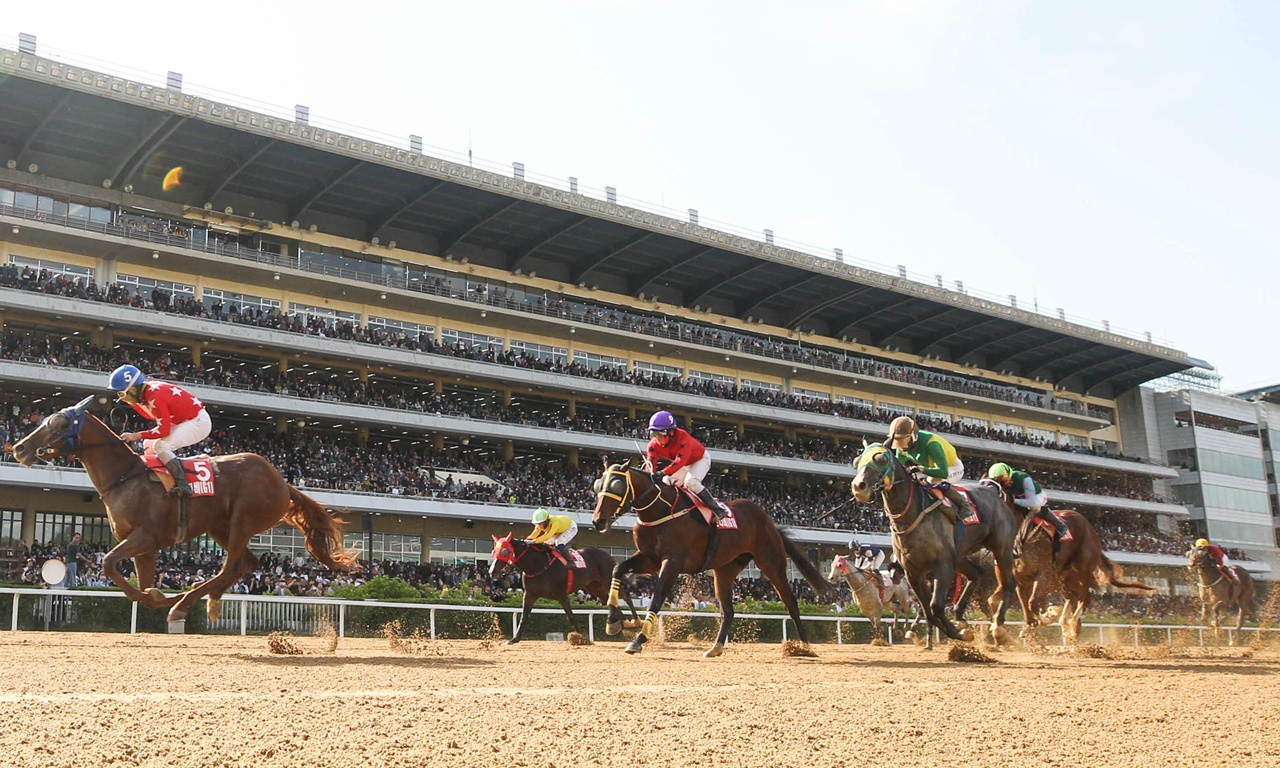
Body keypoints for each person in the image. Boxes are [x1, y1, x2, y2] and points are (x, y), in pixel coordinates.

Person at [108, 364, 211, 496]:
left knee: (161, 446)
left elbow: (164, 431)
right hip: (187, 420)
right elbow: (150, 416)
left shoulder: (154, 396)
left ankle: (183, 484)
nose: (122, 398)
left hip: (198, 421)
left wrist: (135, 435)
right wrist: (135, 404)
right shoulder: (149, 392)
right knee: (148, 445)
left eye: (122, 393)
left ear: (133, 389)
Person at [885, 416, 973, 522]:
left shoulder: (932, 444)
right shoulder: (901, 447)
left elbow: (943, 473)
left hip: (951, 467)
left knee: (933, 480)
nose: (901, 446)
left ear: (913, 435)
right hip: (929, 467)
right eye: (897, 441)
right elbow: (902, 467)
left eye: (902, 440)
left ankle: (964, 505)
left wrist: (922, 470)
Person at [645, 410, 728, 520]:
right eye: (653, 434)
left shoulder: (683, 437)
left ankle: (718, 510)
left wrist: (662, 473)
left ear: (671, 431)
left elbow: (680, 461)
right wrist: (649, 475)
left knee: (690, 482)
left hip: (700, 459)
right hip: (685, 465)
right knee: (665, 482)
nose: (657, 438)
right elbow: (650, 464)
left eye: (660, 433)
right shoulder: (653, 445)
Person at [987, 462, 1073, 566]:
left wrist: (1015, 501)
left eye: (1002, 479)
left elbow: (1031, 501)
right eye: (998, 481)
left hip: (1036, 497)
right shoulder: (1000, 483)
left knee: (1034, 507)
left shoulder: (1023, 479)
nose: (1002, 483)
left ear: (1007, 474)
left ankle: (1059, 524)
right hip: (1020, 497)